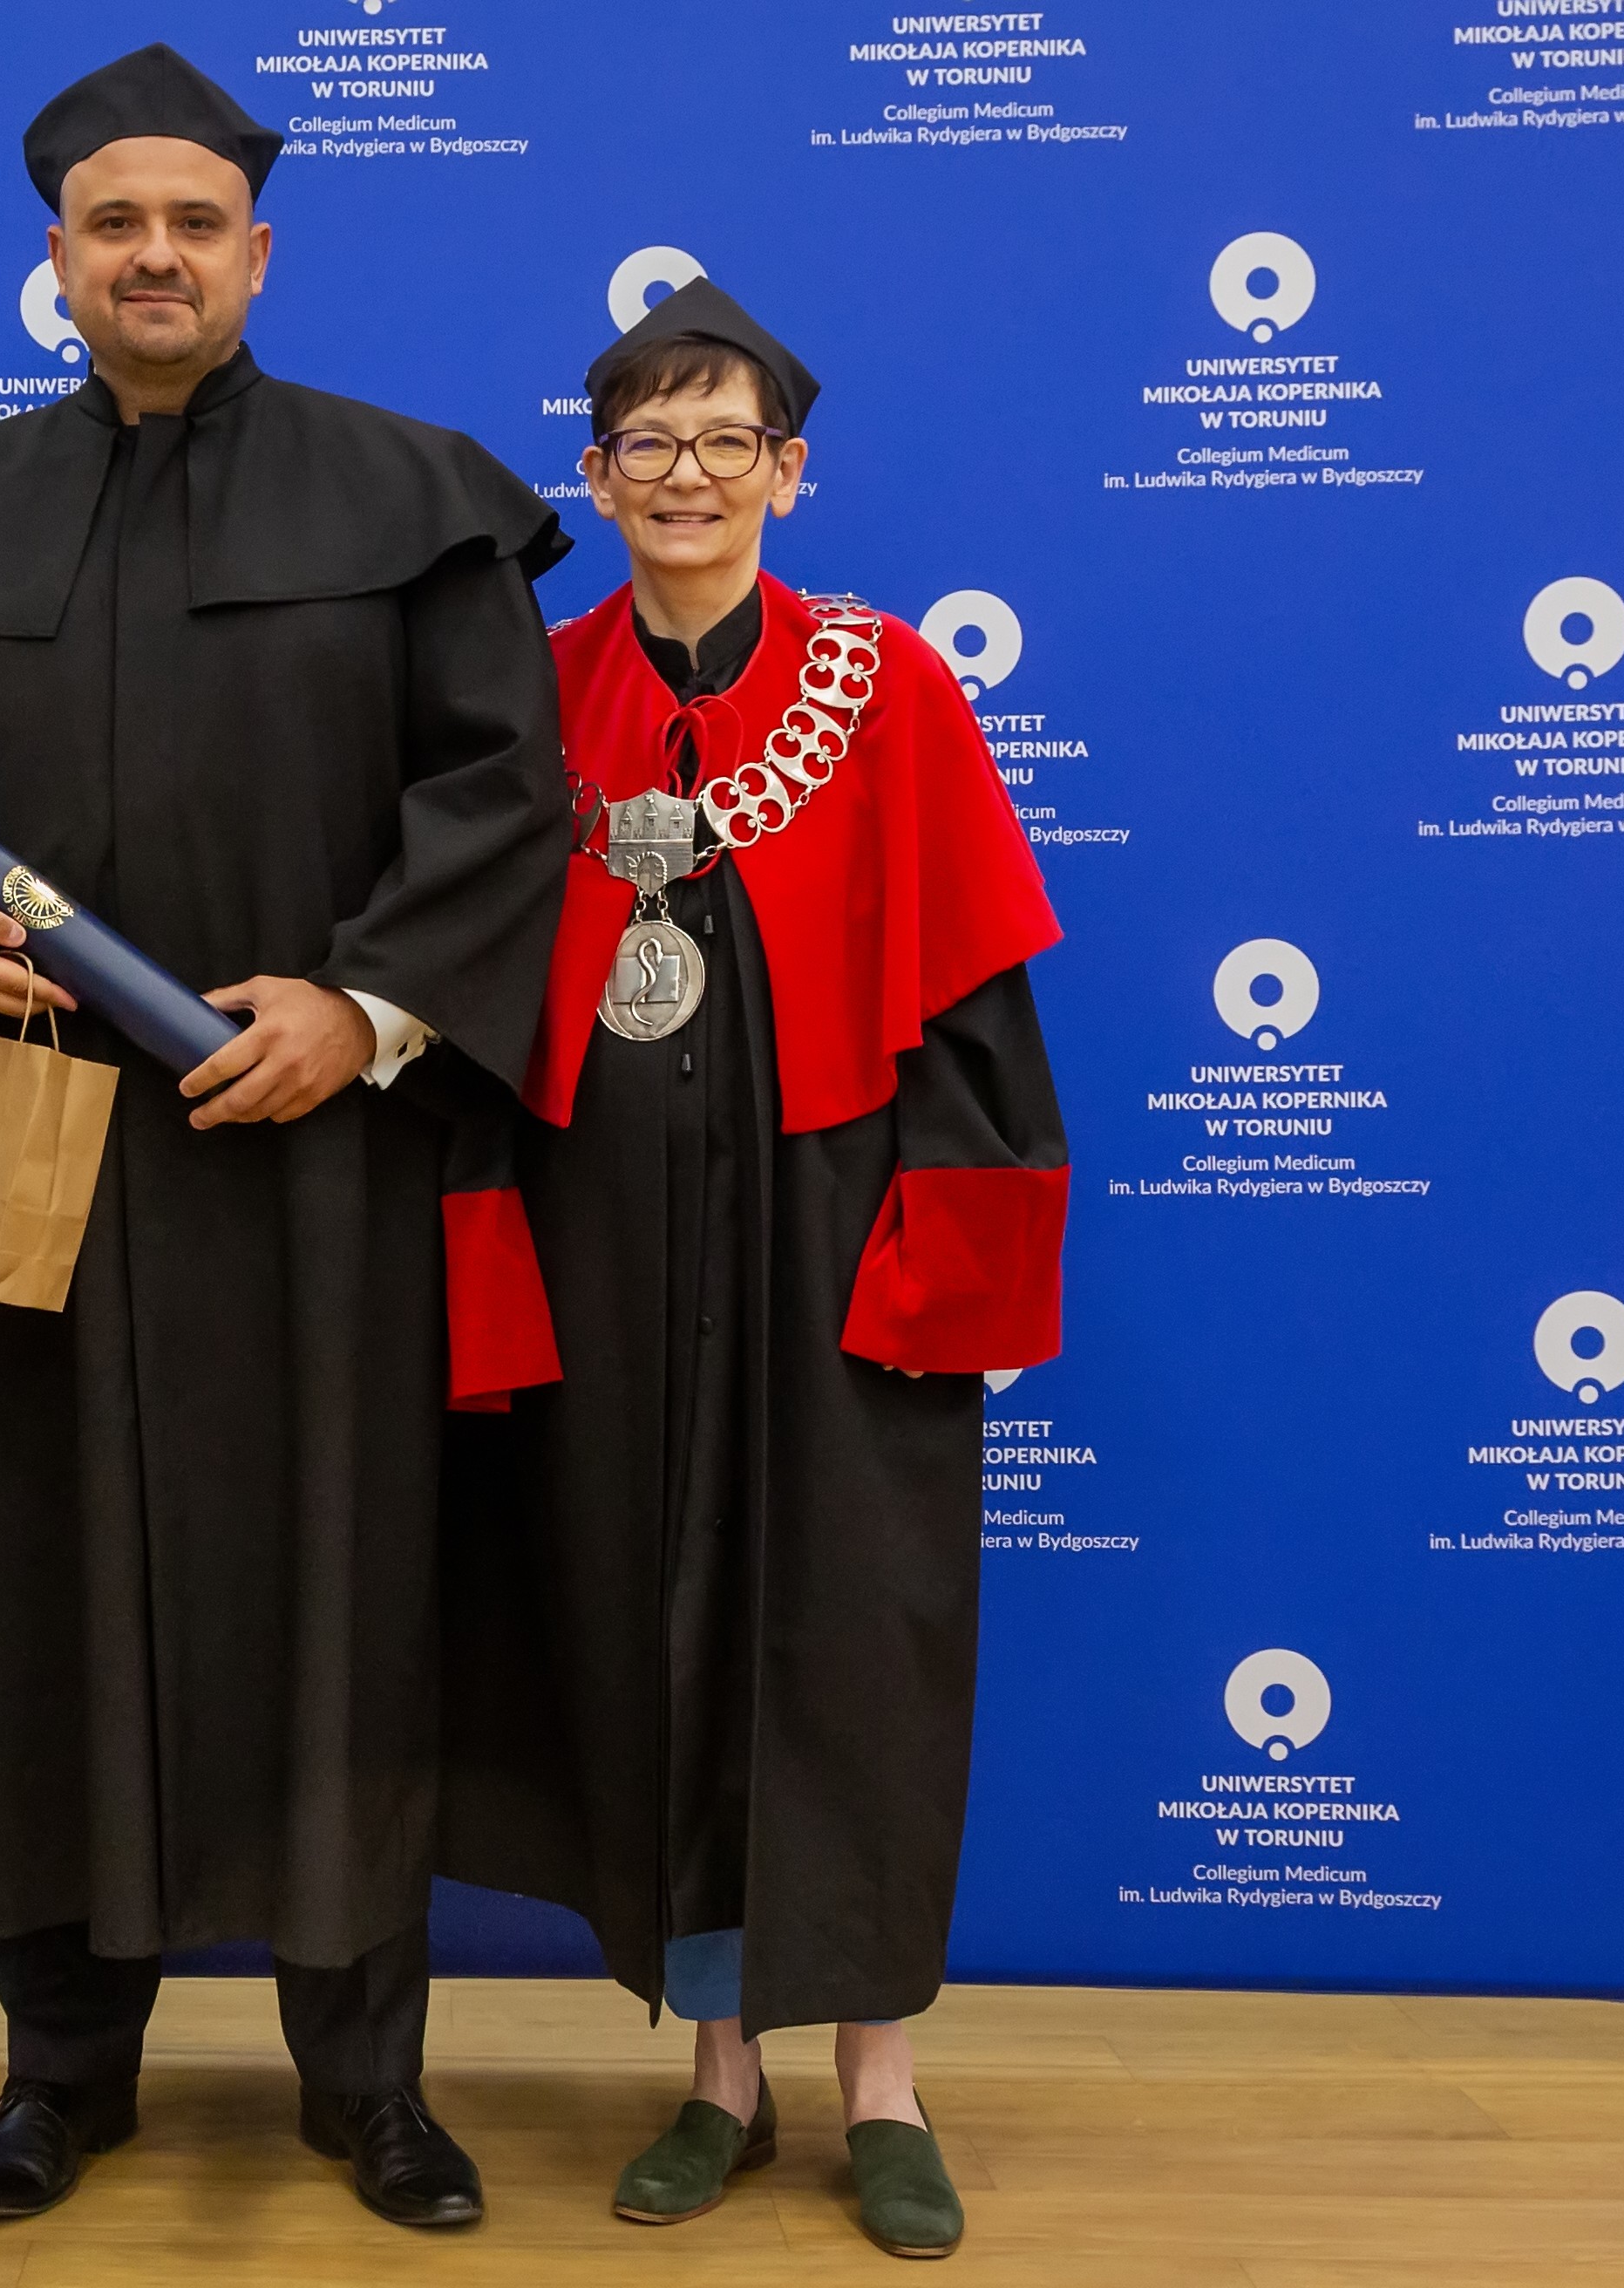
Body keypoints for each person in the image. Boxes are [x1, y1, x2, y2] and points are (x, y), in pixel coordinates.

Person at [0, 44, 570, 2231]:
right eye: (118, 224)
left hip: (316, 1154)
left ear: (259, 253)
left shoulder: (415, 496)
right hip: (14, 1145)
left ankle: (369, 2081)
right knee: (19, 1589)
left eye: (196, 223)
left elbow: (506, 798)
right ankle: (58, 2070)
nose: (157, 255)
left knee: (344, 1589)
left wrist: (363, 1006)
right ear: (59, 260)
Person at [437, 278, 1068, 2262]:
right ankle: (719, 2070)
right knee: (656, 1627)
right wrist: (483, 1261)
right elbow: (465, 1001)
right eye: (650, 442)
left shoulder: (884, 683)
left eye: (728, 442)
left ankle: (881, 2082)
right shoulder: (534, 694)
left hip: (837, 1234)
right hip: (606, 1238)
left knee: (852, 1642)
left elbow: (974, 1009)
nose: (688, 475)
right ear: (596, 473)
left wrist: (955, 1271)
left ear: (790, 472)